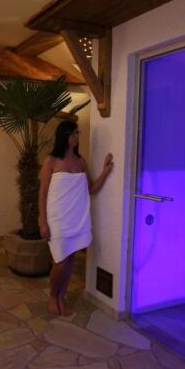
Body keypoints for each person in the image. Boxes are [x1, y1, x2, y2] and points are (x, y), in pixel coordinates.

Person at [39, 120, 113, 316]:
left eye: (77, 133)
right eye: (73, 133)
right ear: (64, 136)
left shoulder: (81, 162)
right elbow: (42, 193)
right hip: (57, 219)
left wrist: (105, 172)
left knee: (70, 258)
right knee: (61, 260)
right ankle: (53, 296)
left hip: (76, 217)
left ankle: (62, 296)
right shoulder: (51, 161)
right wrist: (42, 221)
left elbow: (91, 189)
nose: (77, 136)